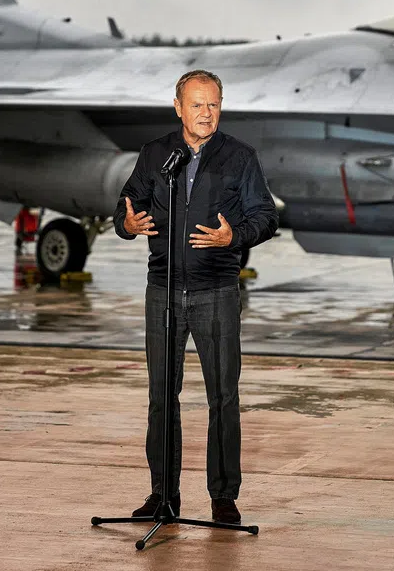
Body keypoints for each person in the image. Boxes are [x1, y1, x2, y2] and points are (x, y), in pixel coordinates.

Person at [114, 69, 278, 525]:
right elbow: (126, 207)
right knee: (161, 397)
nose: (206, 114)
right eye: (197, 105)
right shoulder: (155, 155)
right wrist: (126, 226)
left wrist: (234, 237)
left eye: (214, 105)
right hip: (162, 291)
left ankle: (223, 498)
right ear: (178, 107)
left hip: (217, 292)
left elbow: (266, 217)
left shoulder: (240, 158)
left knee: (223, 397)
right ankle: (162, 494)